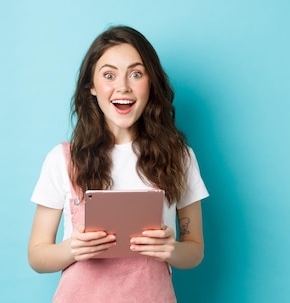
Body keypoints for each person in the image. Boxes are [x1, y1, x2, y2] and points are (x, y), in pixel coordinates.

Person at [27, 25, 209, 302]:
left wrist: (170, 248)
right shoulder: (62, 159)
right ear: (91, 86)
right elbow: (37, 256)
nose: (123, 86)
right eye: (109, 75)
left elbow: (194, 250)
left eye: (136, 74)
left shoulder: (180, 157)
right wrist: (72, 249)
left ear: (151, 83)